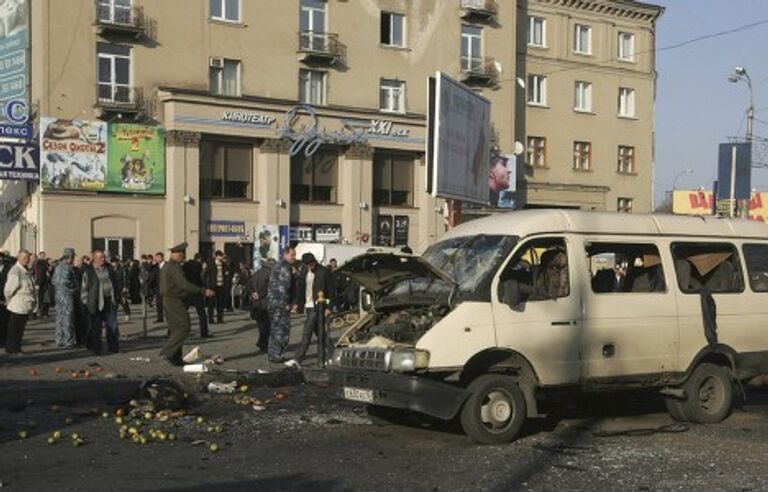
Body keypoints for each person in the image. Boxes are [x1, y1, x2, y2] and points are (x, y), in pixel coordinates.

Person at [159, 243, 214, 366]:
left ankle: (175, 358)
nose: (183, 257)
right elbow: (183, 284)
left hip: (169, 299)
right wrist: (203, 291)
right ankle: (167, 352)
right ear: (178, 254)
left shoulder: (167, 266)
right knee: (184, 327)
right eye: (182, 255)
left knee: (175, 329)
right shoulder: (174, 268)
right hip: (174, 300)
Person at [292, 253, 335, 364]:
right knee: (320, 333)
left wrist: (329, 307)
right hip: (308, 305)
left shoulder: (324, 272)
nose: (311, 267)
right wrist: (296, 302)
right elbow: (300, 288)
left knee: (307, 332)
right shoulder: (304, 272)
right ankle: (333, 354)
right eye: (308, 265)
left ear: (315, 261)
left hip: (318, 306)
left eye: (312, 264)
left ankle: (298, 358)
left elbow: (331, 290)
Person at [81, 249, 120, 355]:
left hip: (109, 301)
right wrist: (86, 303)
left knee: (112, 325)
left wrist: (117, 297)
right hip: (95, 302)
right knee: (96, 327)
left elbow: (115, 282)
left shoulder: (109, 268)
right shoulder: (88, 271)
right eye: (100, 257)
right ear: (94, 258)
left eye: (104, 257)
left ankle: (113, 347)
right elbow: (84, 289)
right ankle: (96, 348)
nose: (103, 259)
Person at [267, 245, 297, 363]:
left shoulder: (277, 266)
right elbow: (283, 287)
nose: (294, 257)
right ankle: (277, 355)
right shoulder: (284, 267)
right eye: (292, 255)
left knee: (274, 329)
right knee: (281, 330)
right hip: (280, 304)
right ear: (285, 254)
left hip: (273, 303)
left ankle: (272, 354)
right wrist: (286, 303)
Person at [3, 250, 36, 355]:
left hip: (25, 304)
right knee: (14, 328)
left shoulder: (25, 270)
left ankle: (17, 347)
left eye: (28, 258)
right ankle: (11, 348)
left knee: (20, 328)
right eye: (25, 258)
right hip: (18, 303)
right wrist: (8, 299)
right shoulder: (15, 271)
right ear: (19, 258)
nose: (27, 260)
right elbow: (9, 289)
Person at [51, 247, 78, 348]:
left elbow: (53, 281)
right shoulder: (68, 268)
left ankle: (59, 339)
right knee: (68, 317)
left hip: (58, 294)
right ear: (70, 257)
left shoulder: (57, 267)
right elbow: (69, 282)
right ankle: (68, 340)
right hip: (67, 294)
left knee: (59, 317)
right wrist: (73, 288)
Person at [246, 258, 274, 353]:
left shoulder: (257, 272)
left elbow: (248, 284)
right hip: (265, 302)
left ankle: (263, 344)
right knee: (267, 325)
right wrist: (259, 294)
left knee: (261, 325)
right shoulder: (271, 273)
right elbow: (268, 287)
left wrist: (253, 293)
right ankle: (263, 343)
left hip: (256, 303)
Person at [182, 253, 211, 338]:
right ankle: (204, 332)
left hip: (187, 291)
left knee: (182, 312)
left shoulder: (186, 265)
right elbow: (200, 278)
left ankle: (174, 331)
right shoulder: (198, 266)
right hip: (197, 291)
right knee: (201, 313)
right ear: (200, 260)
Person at [204, 250, 230, 324]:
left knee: (220, 304)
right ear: (216, 256)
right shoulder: (211, 264)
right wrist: (206, 286)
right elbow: (205, 275)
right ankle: (211, 319)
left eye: (221, 256)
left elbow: (227, 273)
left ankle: (220, 318)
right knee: (211, 304)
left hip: (221, 286)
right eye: (220, 256)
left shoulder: (224, 264)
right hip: (213, 286)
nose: (221, 257)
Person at [72, 255, 89, 348]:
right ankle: (80, 340)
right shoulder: (73, 270)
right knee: (79, 321)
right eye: (77, 261)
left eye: (79, 260)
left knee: (83, 321)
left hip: (83, 298)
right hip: (77, 299)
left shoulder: (85, 270)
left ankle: (83, 340)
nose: (78, 262)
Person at [111, 255, 131, 322]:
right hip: (114, 288)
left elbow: (125, 278)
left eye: (114, 262)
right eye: (112, 262)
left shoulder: (122, 268)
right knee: (114, 303)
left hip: (121, 287)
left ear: (117, 262)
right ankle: (114, 316)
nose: (113, 264)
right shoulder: (111, 269)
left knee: (123, 302)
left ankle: (127, 314)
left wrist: (125, 286)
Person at [33, 250, 51, 319]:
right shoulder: (39, 263)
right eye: (42, 255)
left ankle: (42, 313)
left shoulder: (44, 263)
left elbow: (48, 271)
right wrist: (38, 283)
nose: (43, 256)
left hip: (44, 284)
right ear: (39, 256)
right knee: (40, 299)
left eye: (44, 255)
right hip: (41, 283)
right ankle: (40, 313)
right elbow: (39, 274)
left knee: (44, 299)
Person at [154, 252, 166, 323]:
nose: (157, 259)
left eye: (158, 257)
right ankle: (160, 318)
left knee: (167, 304)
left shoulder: (167, 265)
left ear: (162, 258)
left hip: (166, 287)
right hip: (158, 287)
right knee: (158, 304)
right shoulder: (155, 266)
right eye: (156, 257)